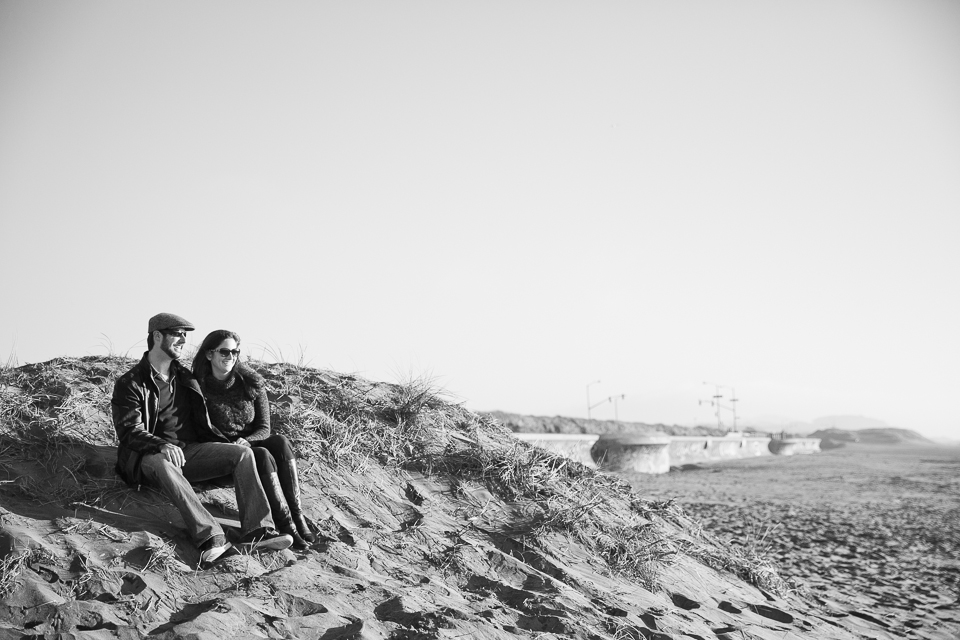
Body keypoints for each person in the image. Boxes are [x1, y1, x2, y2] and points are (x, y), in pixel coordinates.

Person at [112, 313, 293, 565]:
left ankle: (257, 530)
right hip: (148, 458)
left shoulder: (186, 378)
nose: (183, 339)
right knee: (163, 462)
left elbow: (216, 393)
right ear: (156, 336)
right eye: (177, 333)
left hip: (191, 452)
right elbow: (129, 431)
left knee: (243, 454)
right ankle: (210, 537)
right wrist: (161, 445)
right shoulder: (131, 383)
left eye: (185, 335)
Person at [193, 329, 316, 550]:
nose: (230, 356)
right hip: (222, 451)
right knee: (261, 454)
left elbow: (264, 428)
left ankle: (297, 519)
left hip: (249, 442)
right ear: (209, 354)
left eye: (235, 352)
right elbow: (202, 429)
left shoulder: (251, 383)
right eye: (224, 351)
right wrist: (233, 446)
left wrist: (248, 440)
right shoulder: (198, 387)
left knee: (279, 442)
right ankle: (284, 524)